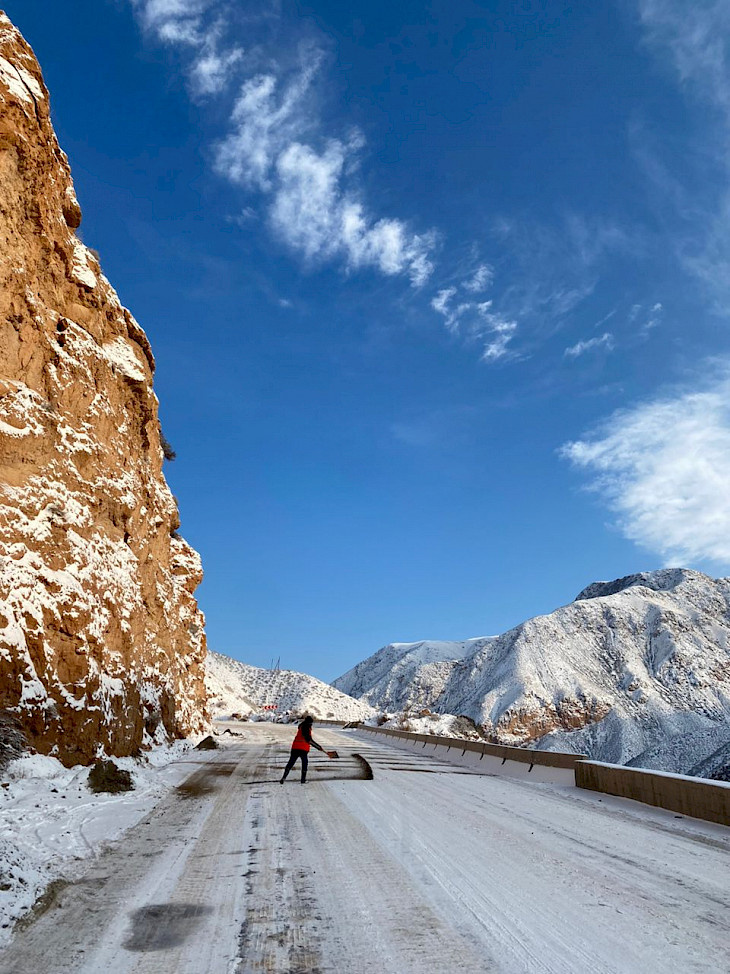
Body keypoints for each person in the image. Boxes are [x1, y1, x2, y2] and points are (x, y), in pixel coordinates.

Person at [279, 716, 331, 784]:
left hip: (295, 748)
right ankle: (303, 780)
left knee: (291, 763)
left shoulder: (301, 726)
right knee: (304, 764)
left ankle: (284, 777)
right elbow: (308, 740)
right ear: (309, 723)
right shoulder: (306, 727)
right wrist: (318, 747)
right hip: (302, 749)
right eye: (311, 723)